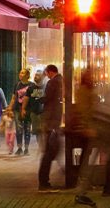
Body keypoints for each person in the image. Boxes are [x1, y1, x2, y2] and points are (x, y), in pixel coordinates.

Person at [70, 71, 99, 206]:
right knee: (85, 157)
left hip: (87, 127)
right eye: (89, 76)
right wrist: (87, 126)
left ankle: (82, 183)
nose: (91, 78)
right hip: (85, 128)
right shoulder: (83, 91)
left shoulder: (86, 90)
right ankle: (81, 185)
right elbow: (84, 109)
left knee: (85, 156)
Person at [37, 63, 65, 193]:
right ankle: (44, 182)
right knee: (51, 150)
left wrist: (38, 99)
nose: (46, 76)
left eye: (46, 73)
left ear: (50, 72)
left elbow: (47, 98)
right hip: (54, 121)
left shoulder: (52, 82)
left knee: (49, 151)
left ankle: (44, 182)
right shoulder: (60, 81)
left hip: (50, 121)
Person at [9, 68, 37, 155]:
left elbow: (35, 98)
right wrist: (10, 108)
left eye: (22, 73)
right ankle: (19, 147)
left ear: (27, 75)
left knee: (27, 128)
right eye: (20, 73)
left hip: (28, 110)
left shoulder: (32, 85)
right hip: (17, 109)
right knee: (19, 129)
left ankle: (27, 148)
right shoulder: (17, 85)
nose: (20, 74)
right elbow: (14, 97)